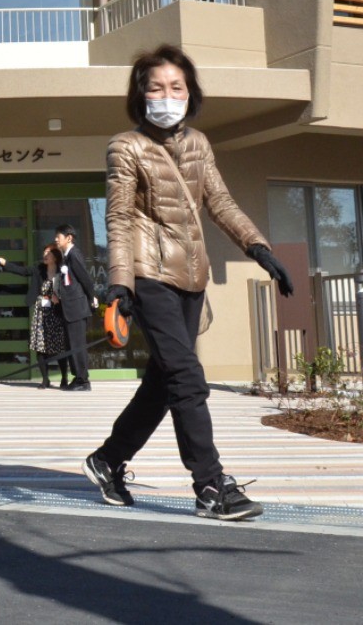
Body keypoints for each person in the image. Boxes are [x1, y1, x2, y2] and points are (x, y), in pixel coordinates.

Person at [82, 44, 294, 521]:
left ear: (190, 93)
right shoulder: (127, 146)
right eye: (156, 87)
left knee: (162, 385)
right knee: (186, 378)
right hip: (149, 276)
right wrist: (121, 284)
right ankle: (211, 484)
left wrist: (259, 248)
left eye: (176, 87)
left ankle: (107, 460)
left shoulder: (198, 143)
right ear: (141, 95)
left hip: (192, 279)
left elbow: (220, 202)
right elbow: (117, 220)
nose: (167, 95)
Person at [0, 245, 70, 389]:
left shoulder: (62, 271)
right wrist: (4, 263)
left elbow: (70, 288)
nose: (45, 255)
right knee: (40, 347)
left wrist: (59, 296)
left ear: (55, 256)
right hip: (41, 312)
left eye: (48, 253)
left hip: (57, 313)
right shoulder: (38, 269)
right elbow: (22, 271)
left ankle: (64, 378)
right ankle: (45, 379)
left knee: (59, 346)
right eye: (44, 252)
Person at [53, 224, 98, 391]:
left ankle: (83, 381)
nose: (56, 239)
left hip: (77, 308)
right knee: (72, 344)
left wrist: (92, 296)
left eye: (59, 236)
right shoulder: (66, 256)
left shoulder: (74, 254)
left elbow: (85, 278)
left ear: (69, 238)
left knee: (78, 345)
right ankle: (77, 378)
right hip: (69, 308)